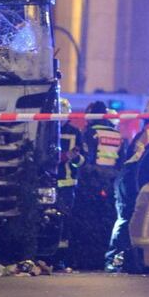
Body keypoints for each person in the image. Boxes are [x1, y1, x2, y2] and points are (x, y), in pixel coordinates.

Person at [104, 101, 149, 272]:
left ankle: (130, 259)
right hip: (130, 178)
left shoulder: (146, 133)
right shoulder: (147, 134)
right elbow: (133, 161)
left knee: (131, 219)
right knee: (126, 217)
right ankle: (114, 259)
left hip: (134, 177)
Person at [72, 101, 125, 269]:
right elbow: (121, 162)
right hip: (112, 183)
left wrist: (75, 160)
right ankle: (105, 258)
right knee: (108, 221)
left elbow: (86, 159)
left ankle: (88, 261)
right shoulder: (117, 134)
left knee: (88, 222)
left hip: (92, 183)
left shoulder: (90, 133)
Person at [56, 98, 85, 264]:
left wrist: (75, 158)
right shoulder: (44, 127)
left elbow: (82, 161)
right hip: (47, 183)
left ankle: (61, 259)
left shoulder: (75, 132)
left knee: (65, 222)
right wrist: (64, 157)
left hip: (67, 185)